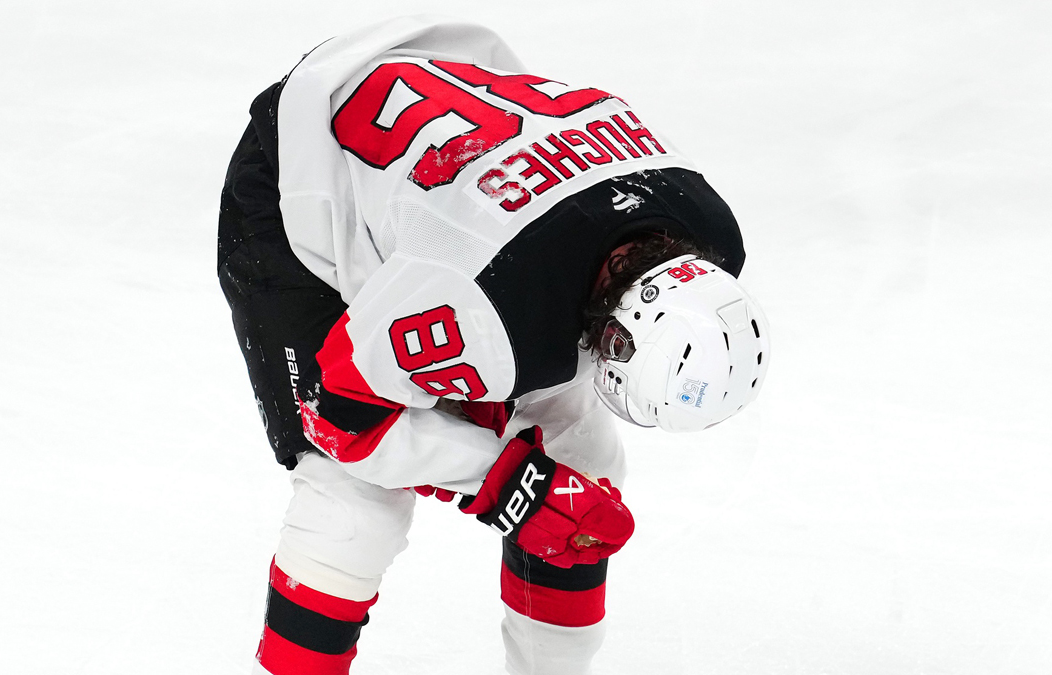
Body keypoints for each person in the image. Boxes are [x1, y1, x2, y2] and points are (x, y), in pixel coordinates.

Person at [217, 16, 770, 675]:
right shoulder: (483, 298)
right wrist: (513, 486)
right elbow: (342, 414)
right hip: (304, 163)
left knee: (581, 465)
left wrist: (542, 484)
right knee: (353, 500)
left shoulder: (709, 229)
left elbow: (540, 289)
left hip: (449, 111)